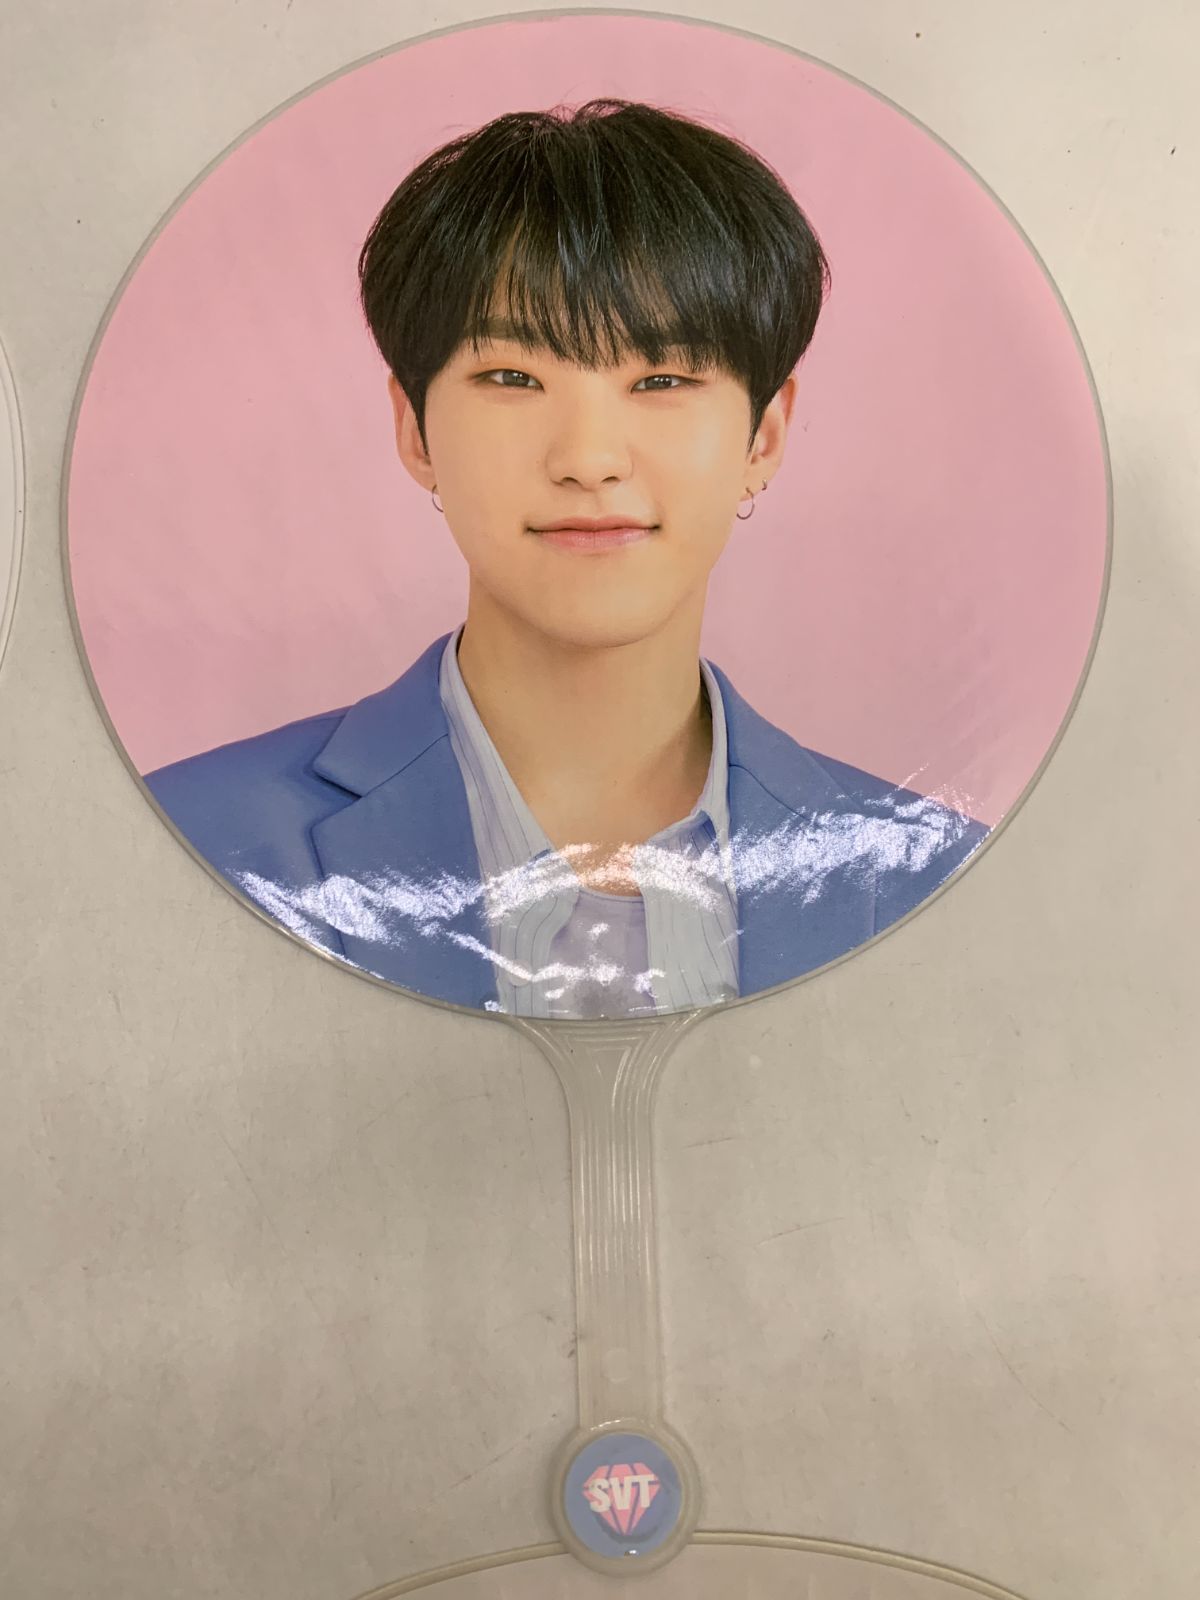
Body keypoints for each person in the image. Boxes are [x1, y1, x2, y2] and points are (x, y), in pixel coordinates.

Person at [146, 98, 988, 1017]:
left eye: (662, 379)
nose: (589, 459)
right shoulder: (183, 844)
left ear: (765, 435)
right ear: (415, 429)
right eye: (512, 378)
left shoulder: (943, 882)